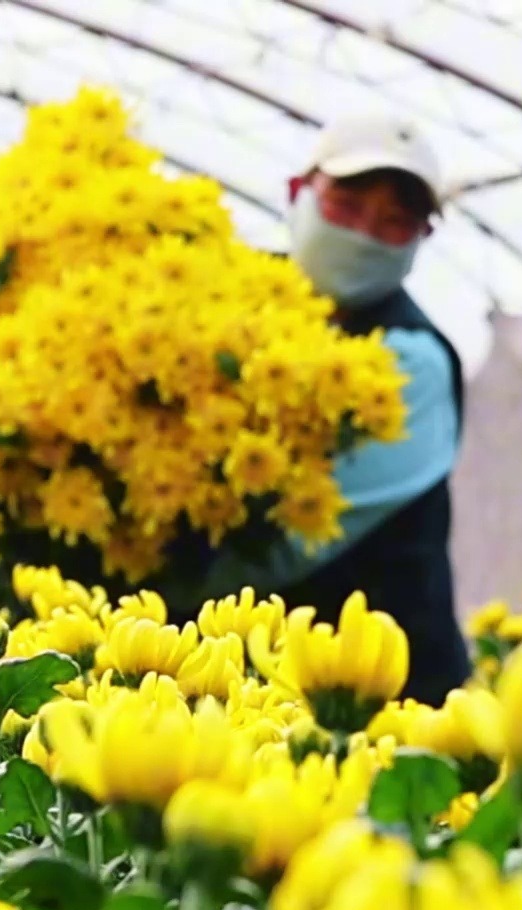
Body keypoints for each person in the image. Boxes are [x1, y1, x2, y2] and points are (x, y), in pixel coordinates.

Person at [198, 114, 472, 706]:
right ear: (298, 193)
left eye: (395, 222)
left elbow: (288, 544)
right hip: (254, 684)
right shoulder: (224, 301)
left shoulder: (411, 362)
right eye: (346, 206)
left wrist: (128, 588)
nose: (365, 234)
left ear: (422, 239)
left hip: (388, 703)